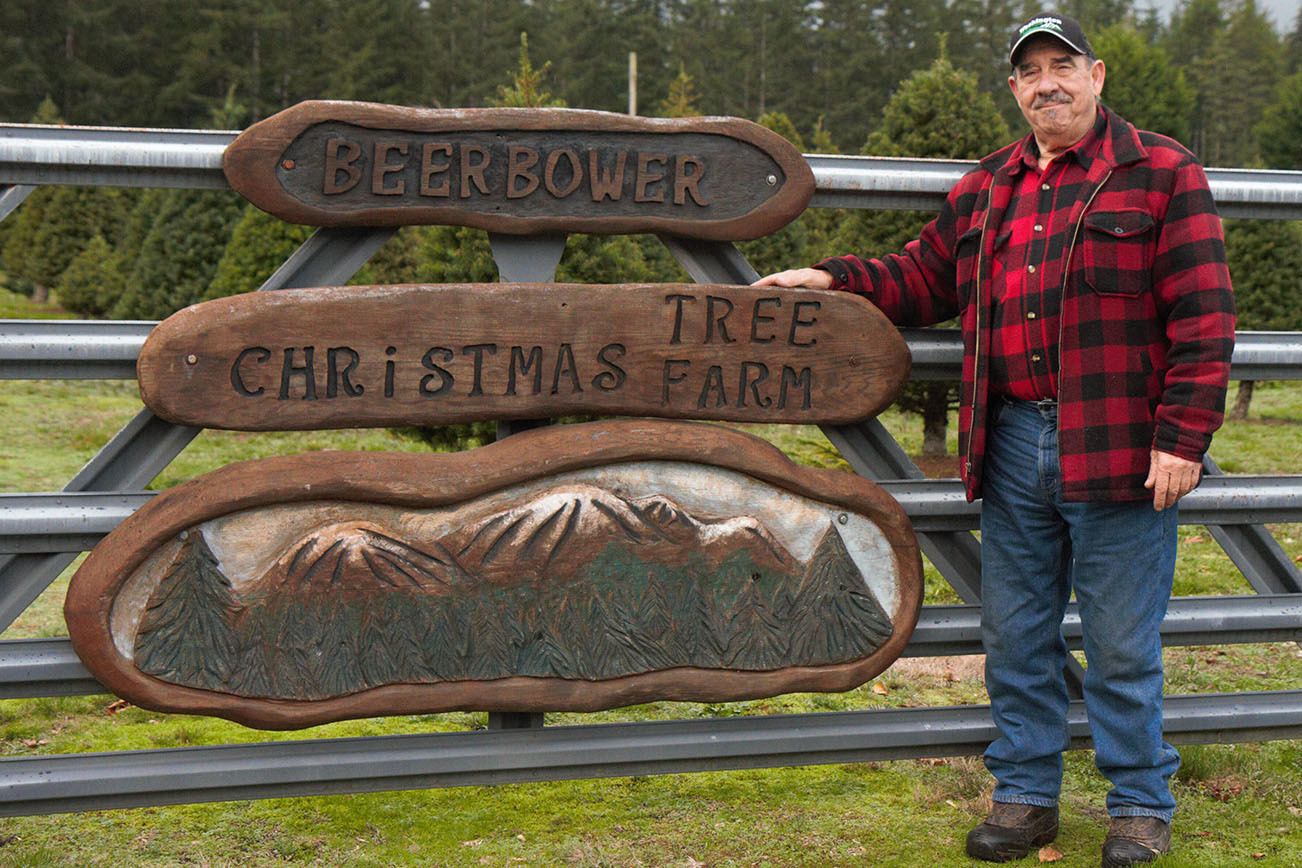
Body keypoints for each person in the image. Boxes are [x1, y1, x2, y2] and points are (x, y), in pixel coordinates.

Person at [755, 12, 1235, 866]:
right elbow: (921, 276)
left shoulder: (1161, 172)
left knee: (1123, 641)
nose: (1046, 82)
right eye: (1029, 71)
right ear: (1014, 89)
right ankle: (1024, 799)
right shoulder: (988, 186)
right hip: (1013, 441)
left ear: (1096, 75)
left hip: (1122, 445)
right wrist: (832, 277)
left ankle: (1139, 806)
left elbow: (1204, 316)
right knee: (1017, 633)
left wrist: (1183, 438)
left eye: (1062, 65)